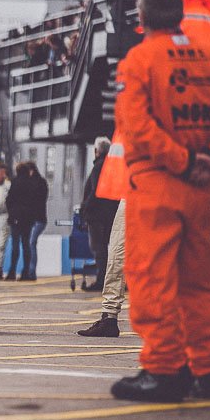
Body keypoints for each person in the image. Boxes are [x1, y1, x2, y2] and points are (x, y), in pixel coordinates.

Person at [110, 0, 210, 402]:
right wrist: (206, 158)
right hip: (201, 188)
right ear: (179, 14)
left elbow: (138, 129)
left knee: (151, 278)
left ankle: (163, 369)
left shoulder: (139, 61)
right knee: (200, 281)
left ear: (142, 19)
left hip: (157, 184)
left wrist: (182, 161)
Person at [77, 135, 129, 338]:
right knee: (116, 255)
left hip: (141, 191)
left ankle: (109, 317)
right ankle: (109, 317)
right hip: (136, 193)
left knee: (116, 254)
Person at [79, 137, 119, 292]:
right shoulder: (113, 166)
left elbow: (95, 191)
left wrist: (85, 210)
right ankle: (110, 279)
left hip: (97, 215)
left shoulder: (98, 166)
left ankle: (101, 280)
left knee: (98, 247)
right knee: (109, 247)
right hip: (110, 213)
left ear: (96, 151)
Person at [5, 161, 47, 281]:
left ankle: (12, 271)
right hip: (28, 219)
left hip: (15, 218)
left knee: (15, 245)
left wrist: (12, 213)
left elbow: (9, 199)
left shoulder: (15, 182)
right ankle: (25, 272)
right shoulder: (33, 184)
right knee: (26, 245)